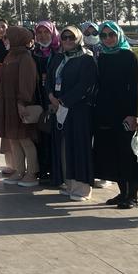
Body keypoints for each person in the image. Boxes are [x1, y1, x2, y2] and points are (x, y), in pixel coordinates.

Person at [92, 20, 138, 208]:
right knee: (113, 154)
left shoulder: (129, 56)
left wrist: (133, 114)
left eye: (111, 35)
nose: (108, 39)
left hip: (124, 113)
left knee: (127, 154)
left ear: (118, 35)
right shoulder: (103, 57)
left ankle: (133, 196)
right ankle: (123, 193)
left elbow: (135, 89)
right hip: (105, 112)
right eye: (103, 36)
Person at [46, 25, 97, 201]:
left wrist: (64, 100)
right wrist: (51, 96)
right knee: (64, 147)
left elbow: (86, 85)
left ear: (78, 39)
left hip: (78, 110)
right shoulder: (59, 57)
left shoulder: (86, 59)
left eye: (71, 38)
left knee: (79, 147)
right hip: (59, 110)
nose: (67, 41)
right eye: (64, 37)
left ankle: (82, 188)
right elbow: (49, 79)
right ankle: (69, 184)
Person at [0, 26, 40, 187]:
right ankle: (19, 171)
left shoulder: (25, 57)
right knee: (13, 139)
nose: (5, 40)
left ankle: (31, 172)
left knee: (25, 139)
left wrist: (22, 102)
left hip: (19, 104)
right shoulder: (10, 56)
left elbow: (27, 82)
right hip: (8, 103)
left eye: (8, 37)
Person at [31, 21, 60, 180]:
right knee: (41, 135)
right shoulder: (35, 52)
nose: (43, 36)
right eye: (39, 33)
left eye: (46, 32)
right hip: (39, 98)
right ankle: (43, 169)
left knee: (54, 137)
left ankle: (56, 171)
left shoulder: (60, 52)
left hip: (55, 99)